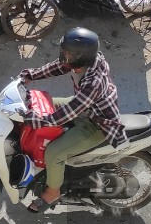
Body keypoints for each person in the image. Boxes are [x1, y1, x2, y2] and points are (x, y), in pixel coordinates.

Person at [18, 27, 126, 212]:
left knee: (54, 152)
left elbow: (69, 113)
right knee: (42, 103)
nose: (64, 56)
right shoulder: (85, 61)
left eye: (69, 54)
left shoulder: (94, 82)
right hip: (85, 108)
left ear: (81, 56)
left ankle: (53, 192)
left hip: (96, 124)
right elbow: (60, 66)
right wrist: (31, 75)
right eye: (64, 51)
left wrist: (40, 121)